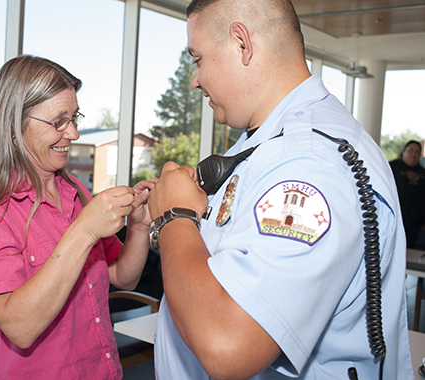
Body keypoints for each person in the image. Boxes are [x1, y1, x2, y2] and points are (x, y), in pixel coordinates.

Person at [147, 0, 413, 379]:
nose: (195, 80)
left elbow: (228, 344)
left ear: (242, 43)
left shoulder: (310, 164)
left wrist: (175, 216)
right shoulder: (268, 142)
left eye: (198, 59)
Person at [0, 55, 154, 379]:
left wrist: (139, 224)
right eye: (58, 121)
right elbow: (20, 326)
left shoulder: (74, 191)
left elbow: (123, 277)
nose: (74, 133)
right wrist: (84, 230)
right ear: (12, 125)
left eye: (74, 117)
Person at [390, 140, 425, 248]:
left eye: (417, 151)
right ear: (404, 151)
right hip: (394, 220)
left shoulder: (423, 172)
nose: (413, 153)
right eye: (411, 150)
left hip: (415, 225)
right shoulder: (392, 167)